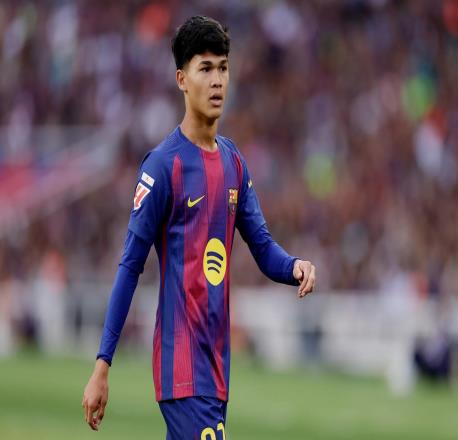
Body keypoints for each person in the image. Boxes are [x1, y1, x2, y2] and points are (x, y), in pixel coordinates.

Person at [82, 15, 316, 440]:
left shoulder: (233, 162)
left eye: (223, 68)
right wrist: (103, 363)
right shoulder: (161, 167)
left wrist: (294, 265)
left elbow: (262, 247)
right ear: (181, 80)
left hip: (217, 366)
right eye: (205, 69)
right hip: (182, 367)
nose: (217, 80)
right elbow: (130, 266)